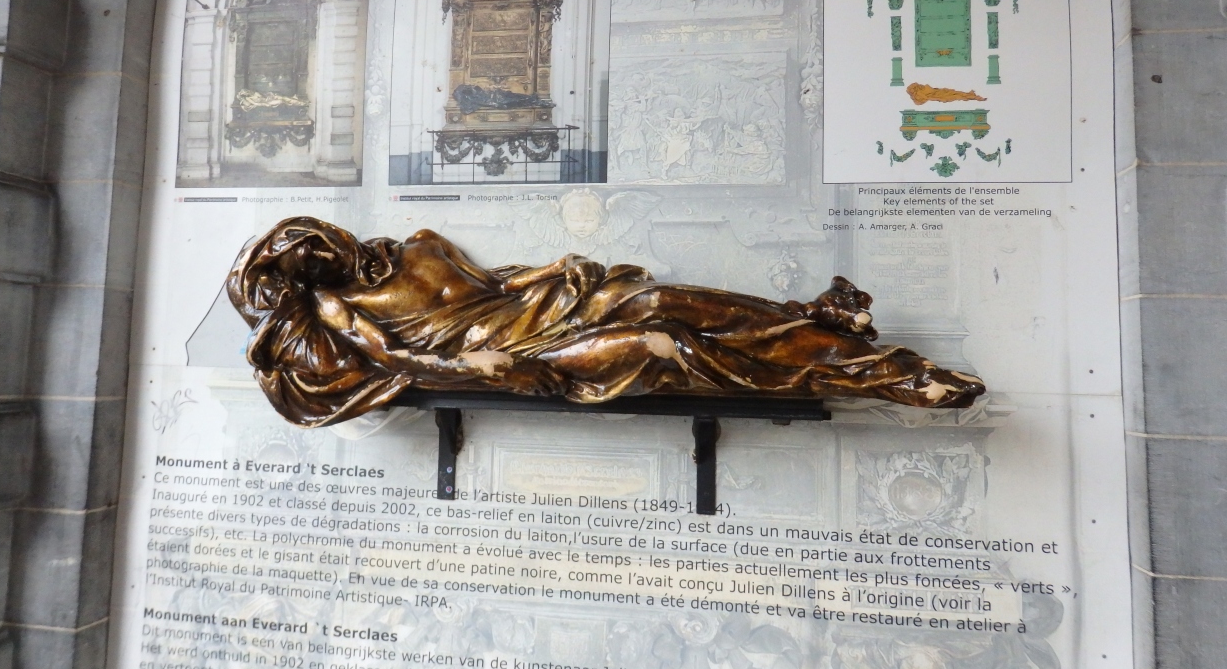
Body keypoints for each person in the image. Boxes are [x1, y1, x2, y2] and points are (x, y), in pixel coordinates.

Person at [227, 218, 986, 428]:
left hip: (544, 307)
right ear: (303, 278)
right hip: (516, 354)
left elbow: (494, 280)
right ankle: (878, 379)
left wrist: (551, 271)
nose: (322, 253)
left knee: (668, 300)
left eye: (314, 239)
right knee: (663, 344)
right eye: (305, 261)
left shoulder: (419, 244)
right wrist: (464, 370)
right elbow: (395, 359)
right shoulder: (337, 310)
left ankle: (822, 328)